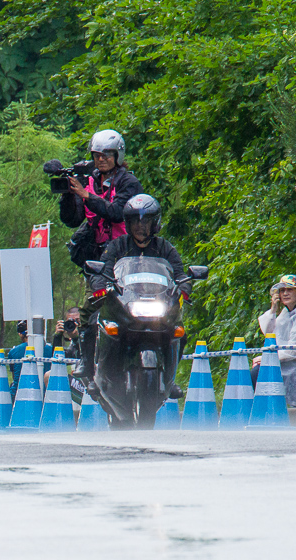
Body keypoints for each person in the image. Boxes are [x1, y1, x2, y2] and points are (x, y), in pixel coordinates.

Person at [46, 129, 142, 377]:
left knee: (141, 305)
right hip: (98, 261)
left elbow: (117, 211)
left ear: (118, 155)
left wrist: (85, 195)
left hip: (126, 256)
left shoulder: (129, 183)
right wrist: (69, 195)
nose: (101, 159)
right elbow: (72, 219)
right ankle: (86, 362)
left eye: (107, 155)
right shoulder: (87, 180)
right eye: (97, 155)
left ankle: (155, 358)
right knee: (91, 307)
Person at [84, 194, 190, 397]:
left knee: (179, 331)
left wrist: (184, 288)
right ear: (128, 223)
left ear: (155, 223)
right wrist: (101, 287)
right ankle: (91, 372)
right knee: (92, 322)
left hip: (158, 304)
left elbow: (180, 274)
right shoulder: (117, 246)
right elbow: (103, 270)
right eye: (135, 221)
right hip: (125, 303)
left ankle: (170, 379)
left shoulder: (165, 248)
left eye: (146, 221)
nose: (141, 226)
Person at [250, 276, 296, 407]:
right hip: (289, 361)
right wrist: (273, 309)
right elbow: (269, 332)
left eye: (290, 290)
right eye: (282, 291)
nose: (285, 293)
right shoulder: (286, 312)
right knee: (257, 372)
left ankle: (267, 409)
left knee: (259, 372)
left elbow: (295, 350)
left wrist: (268, 358)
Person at [8, 320, 54, 400]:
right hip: (46, 394)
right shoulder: (50, 350)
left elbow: (14, 376)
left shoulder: (14, 352)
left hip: (18, 393)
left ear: (20, 334)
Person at [49, 306, 86, 403]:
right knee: (49, 376)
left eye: (77, 321)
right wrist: (58, 336)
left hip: (95, 385)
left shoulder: (93, 334)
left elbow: (87, 356)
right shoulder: (73, 342)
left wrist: (78, 338)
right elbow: (58, 361)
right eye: (70, 321)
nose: (74, 325)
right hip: (81, 385)